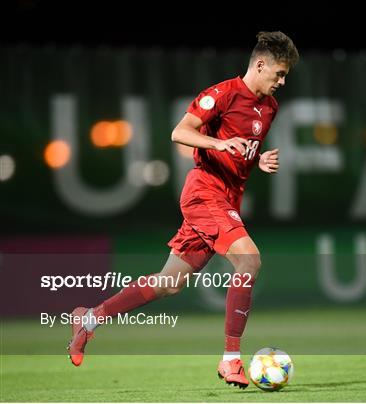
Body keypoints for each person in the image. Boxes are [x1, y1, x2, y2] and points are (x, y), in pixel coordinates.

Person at [67, 31, 299, 389]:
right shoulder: (222, 94)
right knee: (249, 260)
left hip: (226, 199)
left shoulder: (269, 108)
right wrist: (220, 142)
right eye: (279, 74)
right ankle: (231, 359)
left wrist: (257, 159)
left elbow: (239, 153)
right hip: (204, 193)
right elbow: (180, 132)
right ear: (261, 63)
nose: (282, 81)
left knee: (168, 284)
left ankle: (90, 319)